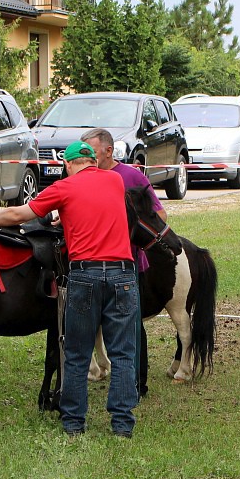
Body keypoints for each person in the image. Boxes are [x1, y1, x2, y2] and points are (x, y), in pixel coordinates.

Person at [0, 141, 139, 438]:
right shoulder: (114, 180)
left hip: (85, 275)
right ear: (94, 162)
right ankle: (122, 425)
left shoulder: (64, 187)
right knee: (123, 353)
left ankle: (74, 423)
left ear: (68, 165)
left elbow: (19, 215)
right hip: (122, 275)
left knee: (76, 352)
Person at [81, 128, 165, 391]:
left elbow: (160, 218)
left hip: (129, 266)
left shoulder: (131, 176)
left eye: (91, 153)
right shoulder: (81, 176)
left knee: (131, 327)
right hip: (91, 266)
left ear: (108, 151)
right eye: (83, 154)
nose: (87, 159)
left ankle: (138, 383)